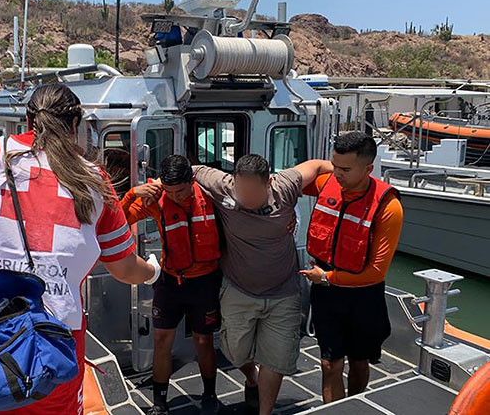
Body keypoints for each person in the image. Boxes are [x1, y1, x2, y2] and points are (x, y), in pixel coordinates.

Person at [0, 83, 159, 415]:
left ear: (28, 118)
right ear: (76, 124)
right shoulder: (94, 178)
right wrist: (153, 272)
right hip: (57, 336)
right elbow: (124, 268)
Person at [192, 155, 333, 415]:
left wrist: (347, 175)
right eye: (241, 189)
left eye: (252, 191)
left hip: (283, 291)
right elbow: (191, 170)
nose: (245, 197)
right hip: (238, 288)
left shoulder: (285, 186)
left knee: (275, 360)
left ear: (268, 183)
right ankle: (252, 377)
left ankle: (264, 412)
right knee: (234, 351)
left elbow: (317, 165)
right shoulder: (223, 186)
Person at [300, 131, 403, 403]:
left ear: (368, 168)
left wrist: (327, 278)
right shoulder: (327, 183)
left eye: (345, 169)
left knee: (359, 362)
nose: (337, 173)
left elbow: (376, 272)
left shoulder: (388, 207)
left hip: (363, 296)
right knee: (329, 364)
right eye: (334, 165)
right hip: (327, 294)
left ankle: (354, 406)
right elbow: (301, 177)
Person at [122, 155, 221, 415]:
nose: (175, 196)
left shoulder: (211, 195)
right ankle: (160, 402)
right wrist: (133, 193)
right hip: (170, 282)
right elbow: (119, 221)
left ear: (192, 181)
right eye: (169, 191)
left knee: (203, 340)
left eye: (181, 191)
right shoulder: (156, 200)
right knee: (161, 340)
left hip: (204, 282)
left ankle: (210, 395)